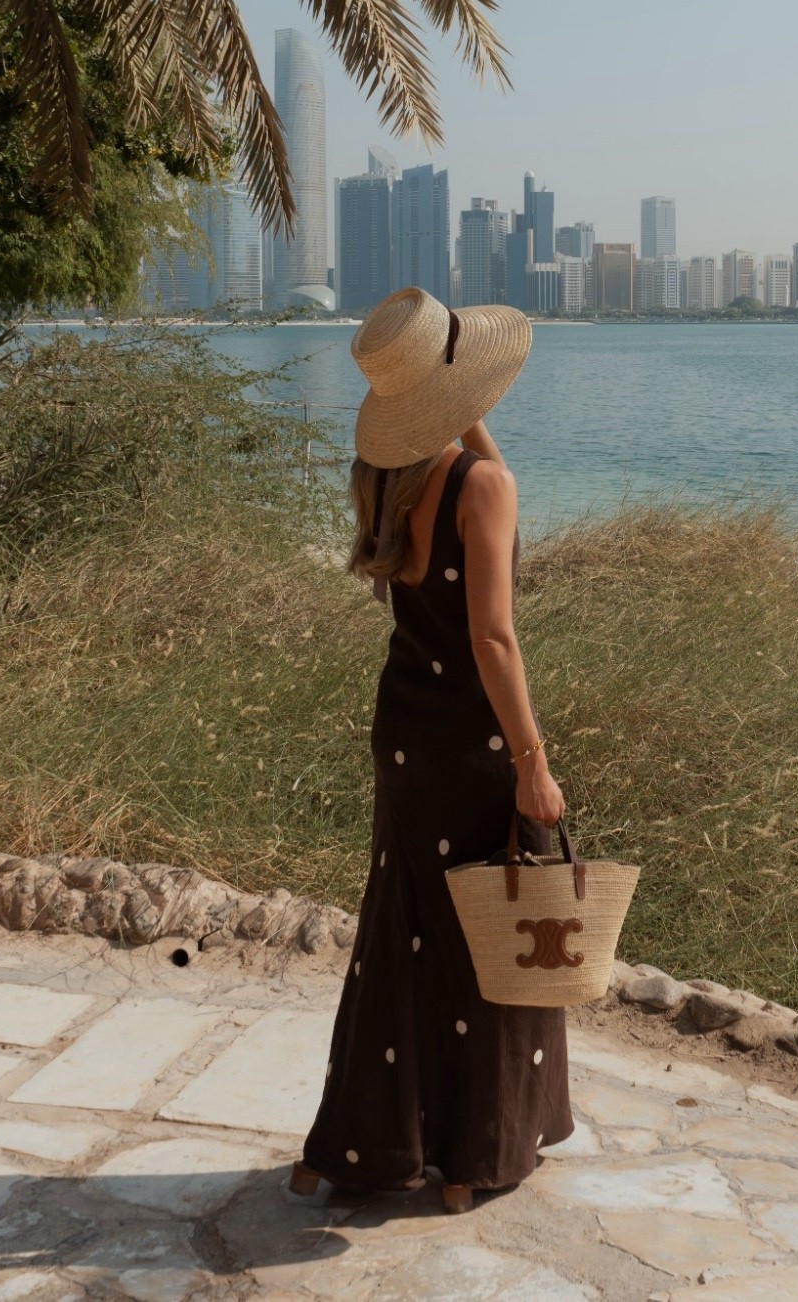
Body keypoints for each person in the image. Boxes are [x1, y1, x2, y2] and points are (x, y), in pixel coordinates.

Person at [290, 287, 571, 1215]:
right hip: (470, 739)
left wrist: (460, 415)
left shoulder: (388, 479)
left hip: (404, 731)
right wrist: (531, 756)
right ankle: (472, 1156)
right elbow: (494, 638)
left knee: (402, 931)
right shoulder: (479, 486)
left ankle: (363, 1140)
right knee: (490, 930)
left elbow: (480, 499)